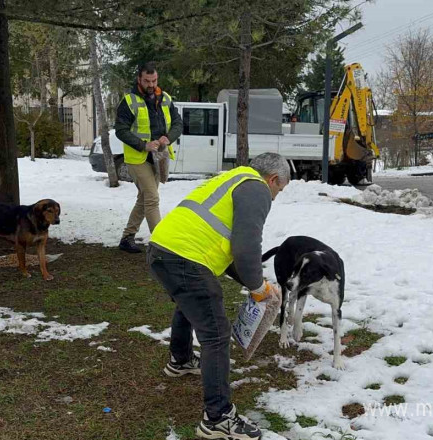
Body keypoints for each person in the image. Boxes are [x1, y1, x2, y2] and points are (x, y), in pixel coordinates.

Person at [147, 153, 290, 440]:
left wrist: (256, 283)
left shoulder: (231, 178)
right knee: (215, 333)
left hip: (162, 248)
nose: (275, 197)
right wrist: (257, 286)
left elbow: (225, 247)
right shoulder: (256, 188)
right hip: (186, 257)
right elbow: (246, 246)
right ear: (273, 180)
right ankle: (218, 418)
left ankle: (181, 359)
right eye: (279, 190)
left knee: (189, 304)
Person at [114, 61, 183, 253]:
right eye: (147, 81)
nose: (151, 85)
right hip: (138, 157)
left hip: (159, 155)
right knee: (152, 198)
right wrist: (143, 144)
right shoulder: (129, 101)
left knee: (144, 197)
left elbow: (178, 123)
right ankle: (162, 245)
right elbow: (120, 130)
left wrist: (168, 138)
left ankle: (127, 237)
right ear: (139, 79)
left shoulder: (166, 98)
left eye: (154, 80)